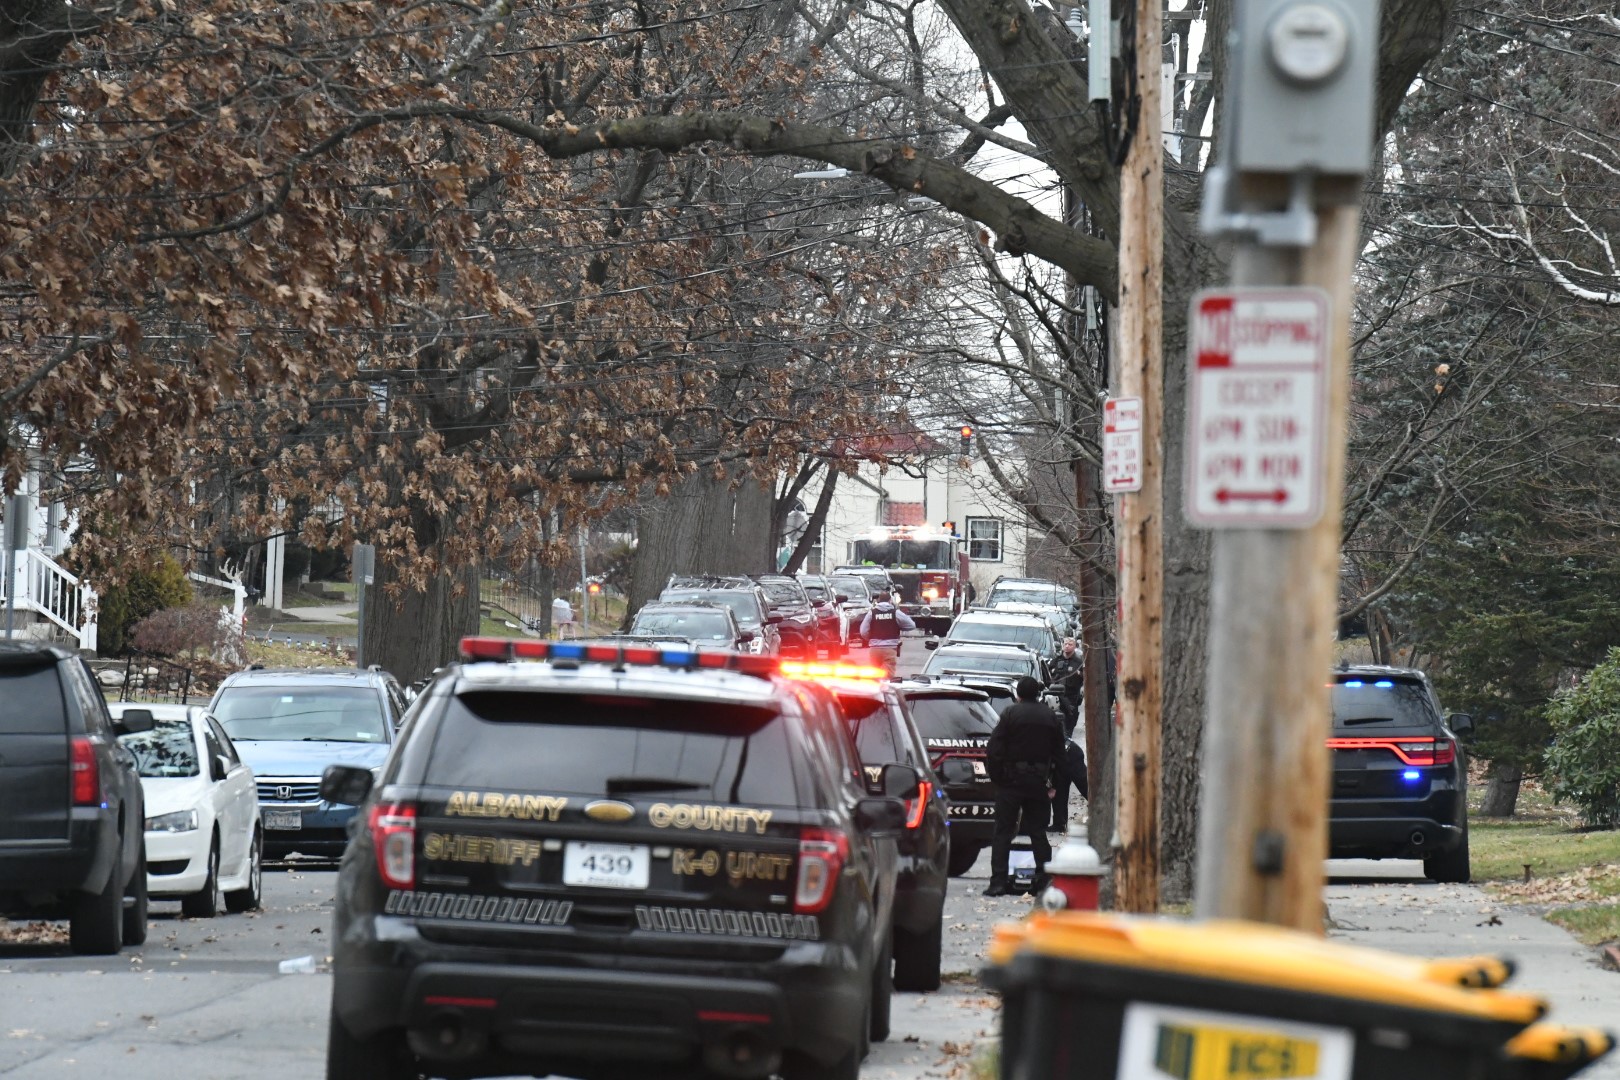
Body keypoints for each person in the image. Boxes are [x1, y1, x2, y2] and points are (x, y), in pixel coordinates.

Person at [984, 676, 1065, 897]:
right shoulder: (1049, 717)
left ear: (1018, 694)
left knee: (1003, 831)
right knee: (1038, 832)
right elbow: (1060, 753)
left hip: (1011, 781)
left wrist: (997, 776)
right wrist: (1054, 783)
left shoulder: (1010, 714)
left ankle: (998, 881)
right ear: (1038, 694)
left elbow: (994, 748)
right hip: (1038, 781)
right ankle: (1043, 879)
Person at [1045, 637, 1085, 830]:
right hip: (1060, 756)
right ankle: (1060, 822)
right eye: (1065, 644)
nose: (1066, 647)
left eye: (1070, 644)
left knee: (1084, 787)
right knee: (1059, 788)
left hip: (1069, 754)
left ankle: (1108, 815)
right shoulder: (1055, 661)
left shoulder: (1079, 663)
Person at [859, 590, 915, 674]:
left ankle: (876, 686)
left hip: (874, 648)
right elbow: (911, 625)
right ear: (890, 600)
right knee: (888, 675)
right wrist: (899, 627)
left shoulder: (872, 613)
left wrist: (870, 638)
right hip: (890, 648)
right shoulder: (896, 613)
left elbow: (863, 631)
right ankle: (886, 686)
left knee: (874, 674)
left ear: (878, 601)